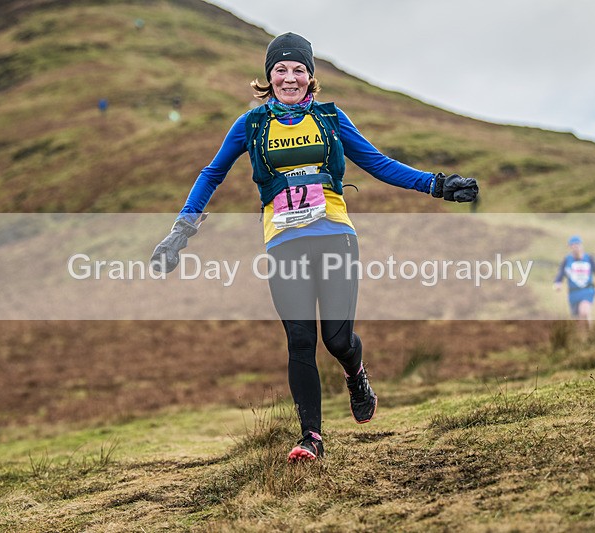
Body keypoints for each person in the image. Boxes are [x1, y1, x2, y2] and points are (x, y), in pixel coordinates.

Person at [150, 32, 478, 462]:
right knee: (300, 340)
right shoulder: (251, 124)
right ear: (268, 76)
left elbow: (377, 163)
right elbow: (212, 174)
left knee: (337, 340)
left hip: (334, 234)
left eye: (298, 69)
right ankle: (312, 438)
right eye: (281, 70)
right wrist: (181, 230)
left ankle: (355, 375)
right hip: (283, 241)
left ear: (310, 76)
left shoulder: (329, 118)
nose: (290, 78)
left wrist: (436, 184)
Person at [553, 235, 595, 325]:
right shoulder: (567, 260)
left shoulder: (588, 258)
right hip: (573, 293)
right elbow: (561, 273)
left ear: (581, 246)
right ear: (570, 247)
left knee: (584, 312)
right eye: (573, 246)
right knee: (577, 320)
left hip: (587, 291)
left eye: (577, 245)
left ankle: (591, 335)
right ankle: (583, 336)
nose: (575, 248)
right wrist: (557, 283)